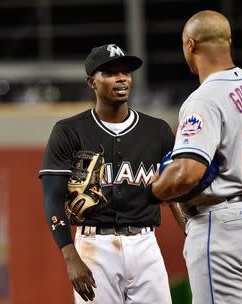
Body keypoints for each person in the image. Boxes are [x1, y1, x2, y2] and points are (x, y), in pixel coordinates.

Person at [147, 11, 242, 304]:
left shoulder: (204, 99)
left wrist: (153, 190)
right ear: (228, 42)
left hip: (221, 229)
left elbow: (187, 173)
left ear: (190, 45)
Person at [39, 43, 183, 303]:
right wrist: (70, 256)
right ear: (91, 82)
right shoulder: (69, 131)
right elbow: (52, 197)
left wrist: (190, 231)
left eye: (125, 72)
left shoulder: (158, 131)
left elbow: (176, 191)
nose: (121, 78)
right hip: (95, 245)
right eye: (110, 72)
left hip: (145, 243)